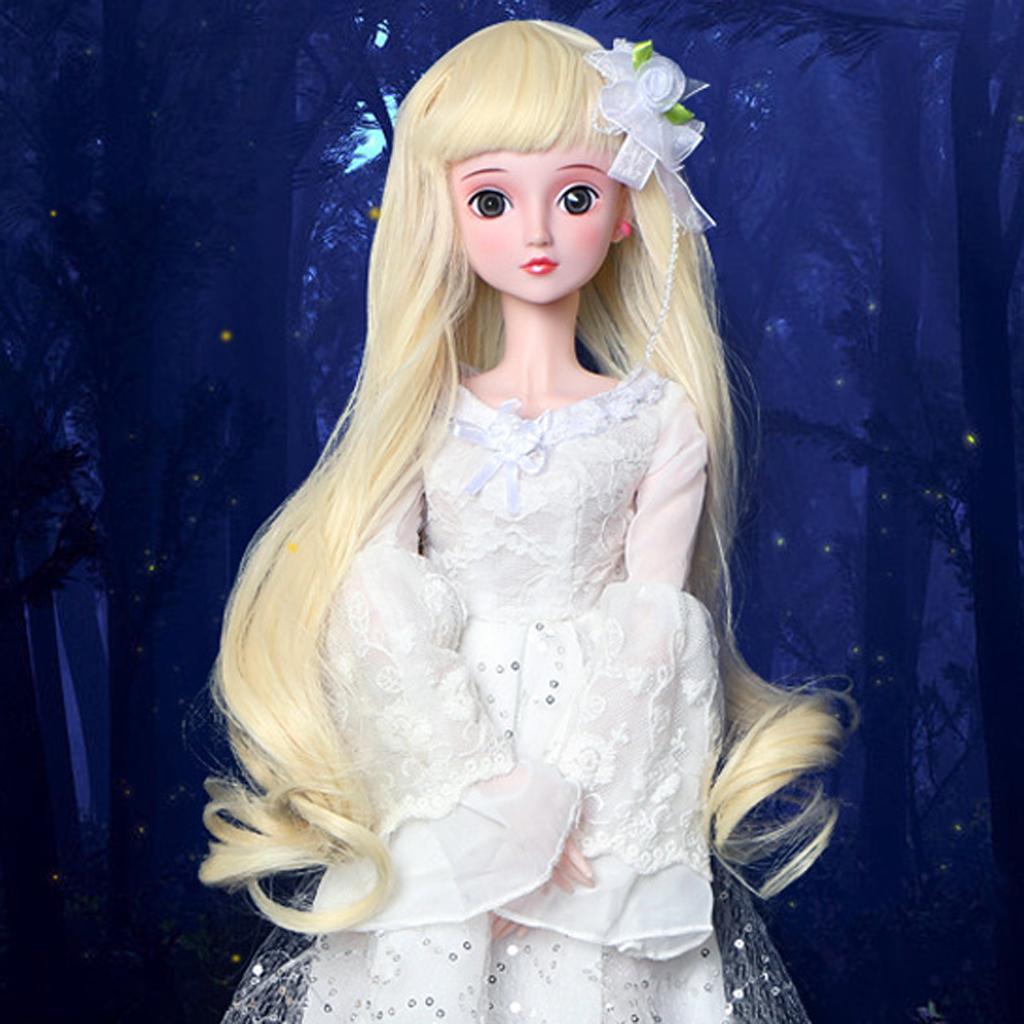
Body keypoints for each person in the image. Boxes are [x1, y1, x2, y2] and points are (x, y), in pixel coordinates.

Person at [197, 19, 857, 1023]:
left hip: (594, 765)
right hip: (445, 758)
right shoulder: (422, 412)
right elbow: (377, 604)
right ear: (446, 216)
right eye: (492, 200)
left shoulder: (660, 419)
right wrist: (483, 801)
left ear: (625, 210)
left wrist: (558, 812)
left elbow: (656, 628)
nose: (536, 234)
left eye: (576, 196)